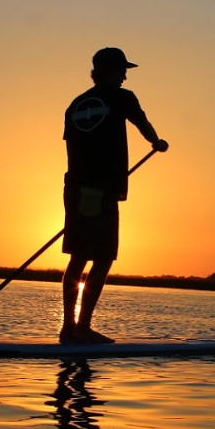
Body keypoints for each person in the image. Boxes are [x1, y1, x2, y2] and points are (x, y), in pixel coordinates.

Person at [60, 47, 168, 345]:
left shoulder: (75, 105)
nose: (124, 77)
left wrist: (81, 191)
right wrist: (157, 142)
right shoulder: (122, 98)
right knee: (103, 256)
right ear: (109, 71)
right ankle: (81, 329)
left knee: (79, 257)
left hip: (75, 189)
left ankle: (68, 329)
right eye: (122, 71)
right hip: (99, 190)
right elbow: (142, 123)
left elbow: (71, 149)